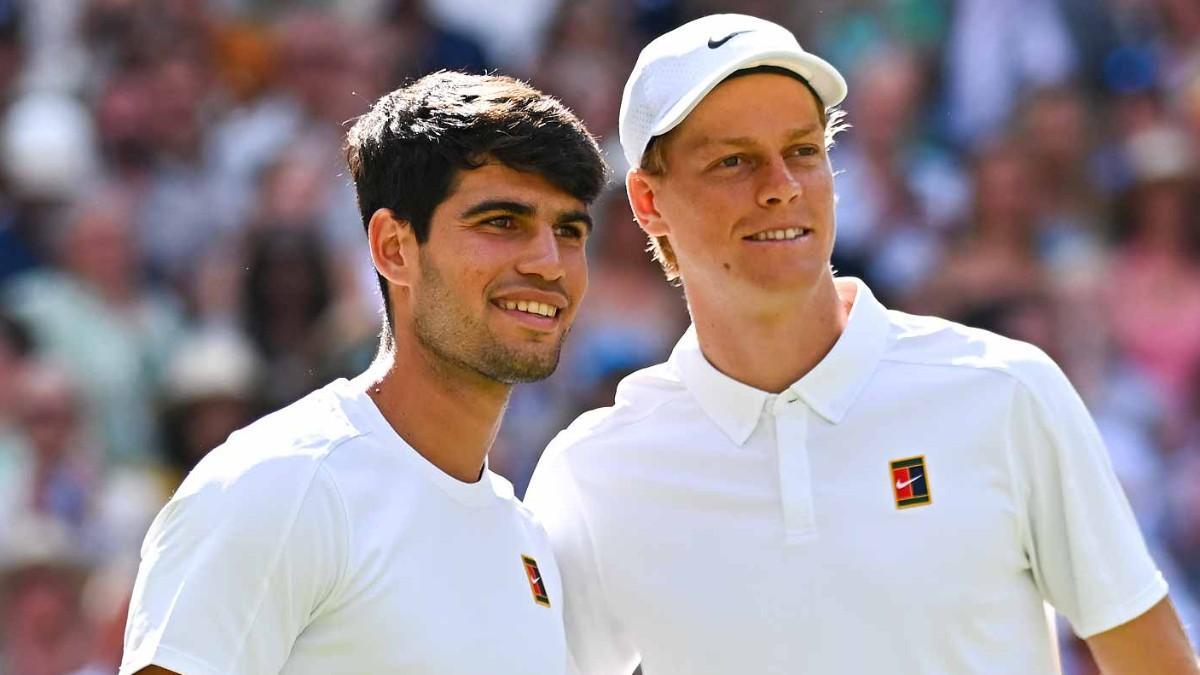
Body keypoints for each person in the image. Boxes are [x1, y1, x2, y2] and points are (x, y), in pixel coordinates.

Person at [524, 13, 1198, 674]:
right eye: (734, 161)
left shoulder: (1007, 391)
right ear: (647, 203)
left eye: (802, 152)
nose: (781, 188)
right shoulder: (592, 473)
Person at [120, 70, 605, 675]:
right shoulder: (284, 485)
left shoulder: (528, 541)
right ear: (394, 249)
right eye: (502, 222)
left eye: (569, 230)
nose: (548, 262)